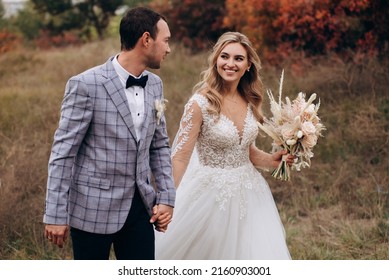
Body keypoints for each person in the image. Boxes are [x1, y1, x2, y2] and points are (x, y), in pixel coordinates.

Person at [43, 7, 176, 260]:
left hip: (141, 210)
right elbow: (63, 154)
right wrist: (55, 214)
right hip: (91, 210)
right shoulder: (85, 84)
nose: (168, 49)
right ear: (146, 39)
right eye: (166, 40)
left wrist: (167, 198)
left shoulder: (156, 84)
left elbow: (159, 146)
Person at [155, 31, 292, 259]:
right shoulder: (200, 104)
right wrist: (166, 199)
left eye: (238, 59)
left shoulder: (250, 100)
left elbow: (244, 150)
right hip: (209, 197)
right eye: (224, 56)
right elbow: (179, 157)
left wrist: (272, 159)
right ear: (216, 60)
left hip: (250, 194)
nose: (230, 64)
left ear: (248, 65)